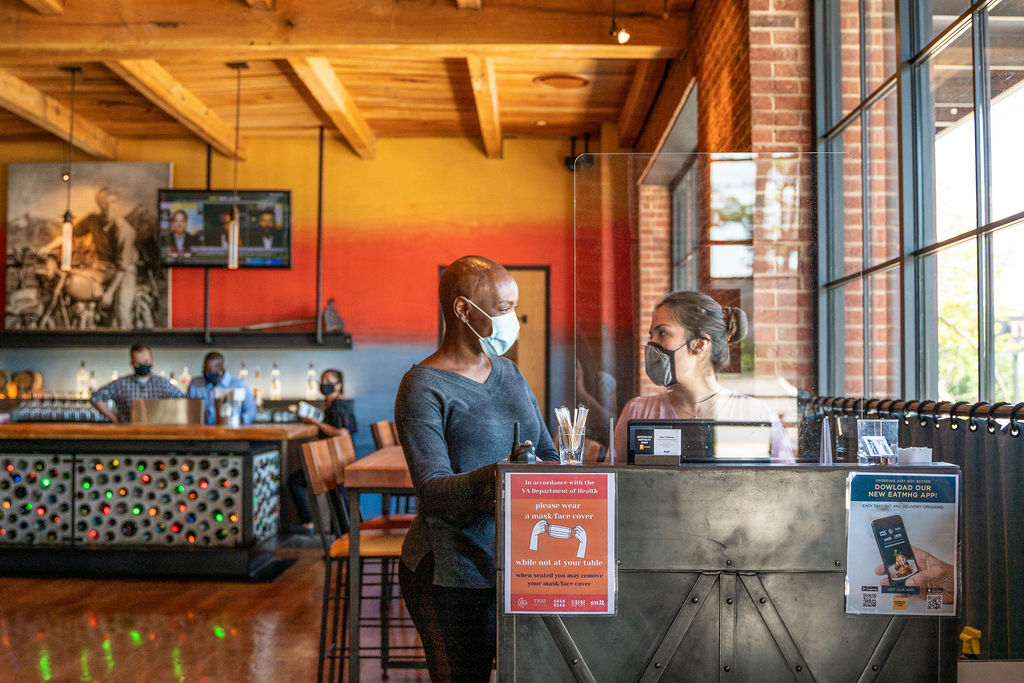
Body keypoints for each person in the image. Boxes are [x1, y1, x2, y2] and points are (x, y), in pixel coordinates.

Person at [395, 255, 558, 681]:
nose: (512, 319)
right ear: (464, 310)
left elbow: (548, 453)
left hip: (515, 564)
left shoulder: (511, 373)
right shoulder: (422, 386)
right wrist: (502, 475)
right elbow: (432, 491)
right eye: (502, 309)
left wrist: (535, 472)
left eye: (513, 307)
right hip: (449, 570)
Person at [612, 291, 795, 463]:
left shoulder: (756, 415)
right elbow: (613, 486)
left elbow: (787, 488)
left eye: (663, 333)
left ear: (700, 344)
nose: (651, 344)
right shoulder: (637, 412)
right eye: (651, 335)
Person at [289, 368, 357, 531]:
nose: (324, 385)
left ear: (339, 386)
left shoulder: (339, 404)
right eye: (322, 382)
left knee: (294, 482)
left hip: (333, 462)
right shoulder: (333, 404)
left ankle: (308, 523)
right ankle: (344, 531)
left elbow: (343, 432)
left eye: (329, 382)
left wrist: (316, 423)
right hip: (335, 461)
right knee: (338, 496)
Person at [75, 187, 138, 329]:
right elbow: (71, 232)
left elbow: (123, 267)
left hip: (124, 271)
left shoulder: (124, 230)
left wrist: (109, 293)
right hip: (103, 268)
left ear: (117, 204)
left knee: (121, 312)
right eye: (104, 203)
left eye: (113, 202)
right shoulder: (93, 220)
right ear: (99, 204)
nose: (109, 207)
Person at [90, 343, 184, 423]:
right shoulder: (121, 384)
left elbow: (184, 400)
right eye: (138, 363)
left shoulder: (163, 384)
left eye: (146, 362)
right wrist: (115, 419)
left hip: (157, 434)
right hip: (128, 435)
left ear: (151, 360)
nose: (143, 366)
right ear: (132, 363)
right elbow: (95, 397)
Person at [186, 351, 257, 425]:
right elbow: (187, 408)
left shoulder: (239, 385)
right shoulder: (195, 384)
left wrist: (236, 422)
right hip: (200, 432)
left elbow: (251, 412)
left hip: (230, 431)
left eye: (210, 371)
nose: (206, 373)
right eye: (204, 370)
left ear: (221, 371)